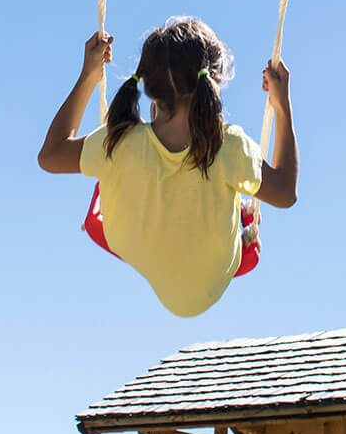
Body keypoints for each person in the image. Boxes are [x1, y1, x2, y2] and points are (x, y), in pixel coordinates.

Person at [37, 18, 297, 317]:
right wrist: (282, 107)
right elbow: (286, 192)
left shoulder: (118, 141)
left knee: (108, 170)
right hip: (211, 274)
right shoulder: (228, 147)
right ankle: (241, 220)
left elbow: (51, 155)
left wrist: (89, 75)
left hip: (141, 247)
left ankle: (234, 215)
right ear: (214, 79)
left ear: (147, 84)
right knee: (237, 205)